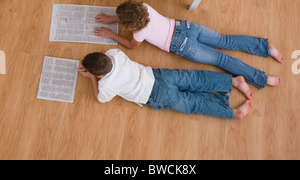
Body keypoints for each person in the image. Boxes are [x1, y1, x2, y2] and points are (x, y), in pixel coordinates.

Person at [94, 0, 283, 90]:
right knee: (226, 40)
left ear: (130, 25)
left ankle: (262, 78)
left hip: (183, 44)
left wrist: (111, 33)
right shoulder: (145, 6)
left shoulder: (138, 33)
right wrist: (112, 18)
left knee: (222, 59)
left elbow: (130, 45)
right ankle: (266, 46)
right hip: (187, 27)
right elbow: (130, 14)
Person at [78, 48, 253, 120]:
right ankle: (233, 81)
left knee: (193, 103)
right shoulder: (114, 54)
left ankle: (233, 112)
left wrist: (92, 78)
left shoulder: (106, 85)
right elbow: (104, 57)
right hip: (159, 76)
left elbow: (100, 98)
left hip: (155, 96)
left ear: (99, 75)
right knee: (195, 79)